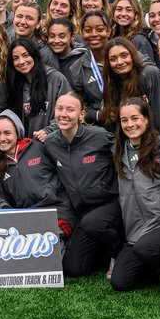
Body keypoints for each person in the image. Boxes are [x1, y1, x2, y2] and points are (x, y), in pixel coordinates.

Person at [109, 99, 160, 292]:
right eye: (124, 120)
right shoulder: (117, 150)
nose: (130, 124)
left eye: (135, 118)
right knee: (120, 282)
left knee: (146, 248)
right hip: (135, 232)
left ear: (147, 119)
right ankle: (156, 265)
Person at [44, 93, 119, 278]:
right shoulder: (51, 143)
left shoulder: (100, 136)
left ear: (81, 114)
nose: (64, 114)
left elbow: (122, 155)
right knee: (72, 269)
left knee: (93, 223)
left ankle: (120, 252)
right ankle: (102, 252)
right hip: (82, 211)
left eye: (70, 110)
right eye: (60, 109)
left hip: (110, 203)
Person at [0, 110, 74, 232]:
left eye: (7, 133)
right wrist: (4, 208)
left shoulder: (39, 147)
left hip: (57, 215)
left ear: (17, 132)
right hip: (28, 221)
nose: (2, 138)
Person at [101, 37, 160, 139]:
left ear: (133, 55)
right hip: (129, 143)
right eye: (113, 59)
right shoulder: (111, 81)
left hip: (155, 142)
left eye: (124, 55)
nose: (119, 62)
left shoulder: (149, 74)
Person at [7, 38, 71, 136]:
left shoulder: (56, 79)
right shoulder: (16, 83)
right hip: (28, 146)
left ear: (34, 55)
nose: (21, 61)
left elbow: (68, 111)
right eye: (15, 58)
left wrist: (48, 132)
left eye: (25, 55)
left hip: (55, 141)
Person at [69, 11, 113, 123]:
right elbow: (78, 105)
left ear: (109, 31)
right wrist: (98, 114)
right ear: (82, 33)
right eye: (88, 30)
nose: (94, 34)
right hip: (98, 127)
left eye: (100, 29)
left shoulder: (124, 55)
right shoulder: (76, 69)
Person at [110, 0, 156, 65]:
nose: (123, 14)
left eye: (128, 10)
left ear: (136, 14)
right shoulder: (113, 35)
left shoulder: (139, 40)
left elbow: (146, 70)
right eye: (119, 9)